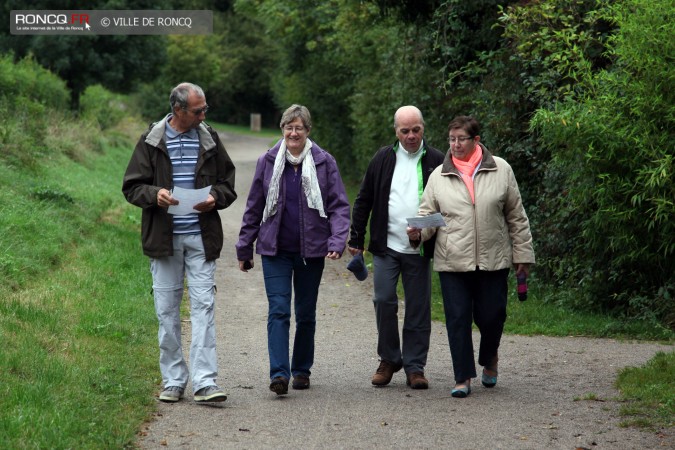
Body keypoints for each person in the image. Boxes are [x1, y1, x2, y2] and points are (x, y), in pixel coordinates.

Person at [122, 82, 237, 403]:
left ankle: (205, 381)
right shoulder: (152, 140)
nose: (204, 114)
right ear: (178, 111)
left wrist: (215, 196)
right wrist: (153, 194)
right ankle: (173, 380)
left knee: (204, 308)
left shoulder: (209, 137)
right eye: (198, 110)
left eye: (205, 109)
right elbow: (132, 187)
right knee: (167, 311)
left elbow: (228, 183)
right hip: (164, 240)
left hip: (202, 239)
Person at [407, 115, 535, 398]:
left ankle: (490, 358)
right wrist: (417, 232)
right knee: (457, 318)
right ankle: (462, 376)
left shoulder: (501, 169)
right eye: (451, 139)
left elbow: (516, 215)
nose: (454, 145)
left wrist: (522, 255)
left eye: (460, 139)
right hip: (452, 260)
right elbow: (430, 215)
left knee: (493, 316)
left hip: (493, 258)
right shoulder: (438, 175)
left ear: (476, 140)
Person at [236, 104, 351, 395]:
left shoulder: (325, 162)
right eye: (289, 127)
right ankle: (279, 374)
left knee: (306, 313)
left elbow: (338, 206)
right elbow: (254, 206)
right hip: (275, 251)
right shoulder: (268, 160)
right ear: (282, 130)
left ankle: (301, 369)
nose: (293, 132)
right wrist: (244, 248)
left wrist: (337, 241)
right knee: (278, 311)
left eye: (299, 127)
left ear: (308, 131)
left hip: (311, 253)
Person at [348, 105, 445, 389]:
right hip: (386, 245)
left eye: (416, 130)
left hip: (419, 248)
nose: (411, 136)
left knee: (418, 307)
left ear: (423, 129)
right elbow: (364, 199)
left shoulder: (437, 160)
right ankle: (389, 359)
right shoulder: (383, 158)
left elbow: (446, 205)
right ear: (396, 131)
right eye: (405, 131)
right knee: (383, 300)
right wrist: (356, 238)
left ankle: (415, 366)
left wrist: (427, 230)